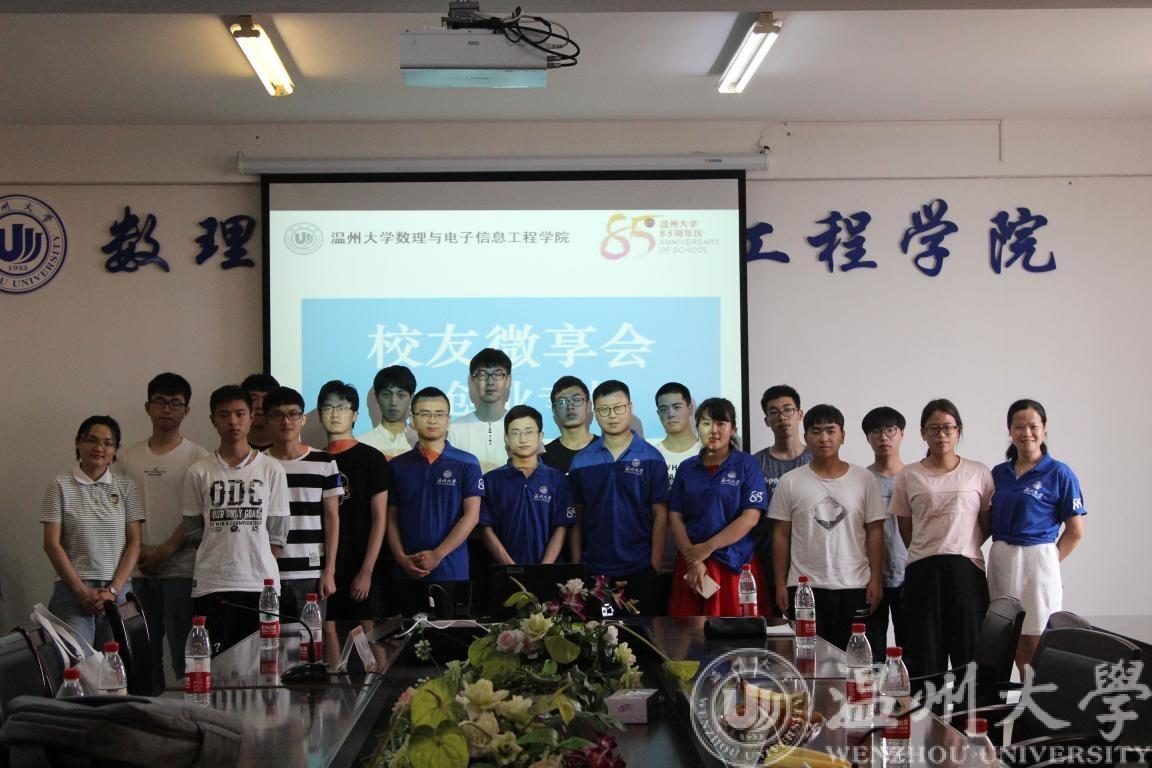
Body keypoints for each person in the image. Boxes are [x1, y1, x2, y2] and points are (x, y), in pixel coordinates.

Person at [182, 385, 290, 654]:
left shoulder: (271, 469)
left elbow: (277, 534)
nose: (233, 421)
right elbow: (193, 531)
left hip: (260, 585)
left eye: (240, 414)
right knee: (215, 664)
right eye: (224, 415)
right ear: (213, 420)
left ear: (252, 417)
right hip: (212, 584)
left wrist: (253, 561)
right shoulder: (198, 471)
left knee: (262, 664)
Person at [768, 404, 886, 650]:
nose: (824, 438)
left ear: (843, 436)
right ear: (806, 437)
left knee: (856, 661)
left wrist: (876, 580)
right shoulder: (790, 482)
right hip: (805, 589)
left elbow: (875, 532)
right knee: (808, 660)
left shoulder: (864, 479)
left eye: (831, 430)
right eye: (816, 431)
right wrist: (780, 584)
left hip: (855, 585)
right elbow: (780, 535)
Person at [891, 398, 993, 679]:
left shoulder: (978, 472)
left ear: (958, 431)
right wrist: (931, 546)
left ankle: (968, 709)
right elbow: (905, 528)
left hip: (966, 570)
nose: (941, 435)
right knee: (924, 655)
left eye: (948, 428)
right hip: (922, 571)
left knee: (969, 654)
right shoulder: (909, 475)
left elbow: (986, 524)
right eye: (933, 429)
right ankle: (927, 709)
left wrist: (958, 544)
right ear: (923, 433)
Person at [117, 372, 209, 681]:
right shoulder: (127, 457)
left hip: (182, 570)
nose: (167, 409)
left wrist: (165, 551)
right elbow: (118, 509)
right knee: (144, 656)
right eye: (160, 402)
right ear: (147, 407)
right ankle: (148, 709)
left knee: (185, 656)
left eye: (175, 403)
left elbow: (199, 514)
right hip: (137, 571)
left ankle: (186, 709)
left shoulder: (198, 457)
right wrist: (141, 550)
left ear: (187, 410)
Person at [989, 398, 1086, 673]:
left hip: (1038, 560)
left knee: (1035, 641)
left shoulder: (1059, 473)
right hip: (1002, 560)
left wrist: (1051, 563)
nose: (1027, 433)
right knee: (1008, 640)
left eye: (1033, 426)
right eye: (1019, 426)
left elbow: (1076, 531)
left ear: (1044, 428)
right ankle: (1019, 699)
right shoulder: (999, 473)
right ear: (1010, 430)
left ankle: (1036, 699)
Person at [42, 415, 144, 646]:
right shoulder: (59, 486)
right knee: (79, 662)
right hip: (73, 591)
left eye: (108, 443)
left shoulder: (127, 487)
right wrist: (81, 592)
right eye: (92, 440)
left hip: (118, 590)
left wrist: (113, 590)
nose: (99, 448)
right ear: (78, 442)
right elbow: (51, 544)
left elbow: (135, 543)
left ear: (115, 450)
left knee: (117, 662)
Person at [568, 380, 668, 615]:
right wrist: (577, 565)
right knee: (596, 636)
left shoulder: (652, 457)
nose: (612, 415)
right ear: (594, 412)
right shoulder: (581, 461)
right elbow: (576, 519)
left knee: (641, 636)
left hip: (640, 569)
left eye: (618, 408)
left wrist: (654, 566)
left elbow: (660, 515)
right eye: (604, 409)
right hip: (594, 570)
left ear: (630, 407)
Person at [667, 398, 769, 617]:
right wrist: (693, 559)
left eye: (721, 423)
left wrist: (708, 547)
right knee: (688, 632)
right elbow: (675, 516)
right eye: (706, 423)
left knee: (735, 632)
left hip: (734, 564)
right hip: (692, 566)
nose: (713, 430)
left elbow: (751, 517)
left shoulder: (746, 464)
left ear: (732, 429)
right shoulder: (686, 468)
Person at [388, 386, 483, 616]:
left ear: (448, 420)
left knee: (449, 636)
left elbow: (472, 516)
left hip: (451, 571)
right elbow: (390, 517)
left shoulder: (467, 463)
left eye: (439, 414)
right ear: (412, 420)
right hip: (406, 571)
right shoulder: (397, 466)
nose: (432, 420)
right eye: (425, 414)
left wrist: (437, 555)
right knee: (405, 636)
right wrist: (401, 558)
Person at [317, 380, 391, 641]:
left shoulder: (372, 458)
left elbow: (380, 518)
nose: (335, 414)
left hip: (362, 562)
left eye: (342, 407)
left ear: (355, 415)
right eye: (328, 407)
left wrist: (366, 571)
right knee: (327, 633)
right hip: (323, 565)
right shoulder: (315, 459)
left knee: (369, 636)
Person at [263, 387, 342, 619]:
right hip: (267, 572)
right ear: (266, 420)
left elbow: (332, 519)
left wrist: (329, 571)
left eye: (293, 414)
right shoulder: (258, 464)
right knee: (267, 640)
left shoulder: (324, 462)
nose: (286, 421)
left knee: (311, 640)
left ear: (303, 419)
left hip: (311, 574)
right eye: (278, 415)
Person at [479, 404, 574, 565]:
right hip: (504, 572)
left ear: (540, 436)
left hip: (549, 571)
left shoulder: (557, 479)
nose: (523, 439)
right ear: (507, 438)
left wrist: (544, 568)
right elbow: (485, 529)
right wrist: (510, 566)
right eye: (516, 433)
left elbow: (562, 527)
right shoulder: (490, 480)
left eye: (529, 432)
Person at [751, 385, 812, 616]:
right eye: (774, 412)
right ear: (766, 421)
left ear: (800, 414)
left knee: (809, 633)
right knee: (770, 632)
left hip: (809, 567)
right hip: (765, 565)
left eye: (788, 410)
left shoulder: (816, 460)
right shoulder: (754, 464)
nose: (782, 417)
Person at [861, 406, 908, 662]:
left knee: (911, 652)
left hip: (908, 575)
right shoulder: (861, 479)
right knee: (871, 653)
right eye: (876, 432)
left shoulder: (914, 476)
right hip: (870, 578)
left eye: (890, 430)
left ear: (902, 434)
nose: (883, 437)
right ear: (867, 438)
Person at [647, 382, 701, 605]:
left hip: (699, 560)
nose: (670, 414)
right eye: (664, 409)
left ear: (690, 408)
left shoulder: (706, 452)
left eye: (677, 407)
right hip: (657, 560)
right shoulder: (650, 455)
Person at [448, 348, 513, 474]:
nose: (490, 382)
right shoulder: (454, 429)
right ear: (473, 380)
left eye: (498, 374)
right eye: (483, 375)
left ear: (508, 380)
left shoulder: (520, 426)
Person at [358, 365, 418, 460]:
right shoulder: (361, 443)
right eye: (386, 395)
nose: (393, 402)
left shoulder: (421, 444)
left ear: (412, 398)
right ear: (376, 398)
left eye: (401, 395)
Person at [541, 375, 598, 474]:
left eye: (576, 400)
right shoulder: (544, 457)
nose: (570, 406)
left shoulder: (605, 449)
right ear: (554, 409)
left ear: (588, 406)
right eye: (562, 402)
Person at [241, 373, 280, 452]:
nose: (260, 405)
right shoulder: (232, 448)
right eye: (253, 399)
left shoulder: (289, 449)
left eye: (267, 399)